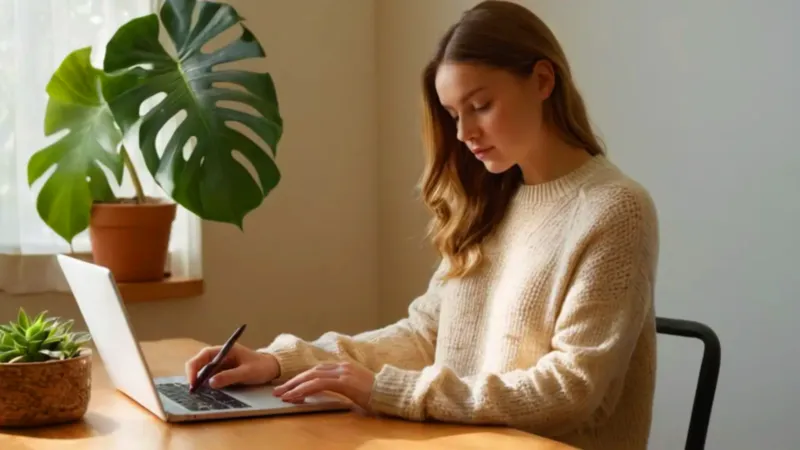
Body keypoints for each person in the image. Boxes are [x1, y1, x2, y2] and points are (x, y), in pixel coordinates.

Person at [185, 1, 659, 449]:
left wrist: (392, 391)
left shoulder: (615, 208)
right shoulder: (492, 199)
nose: (463, 134)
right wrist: (279, 362)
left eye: (481, 105)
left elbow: (571, 389)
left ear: (541, 80)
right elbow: (425, 336)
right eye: (454, 114)